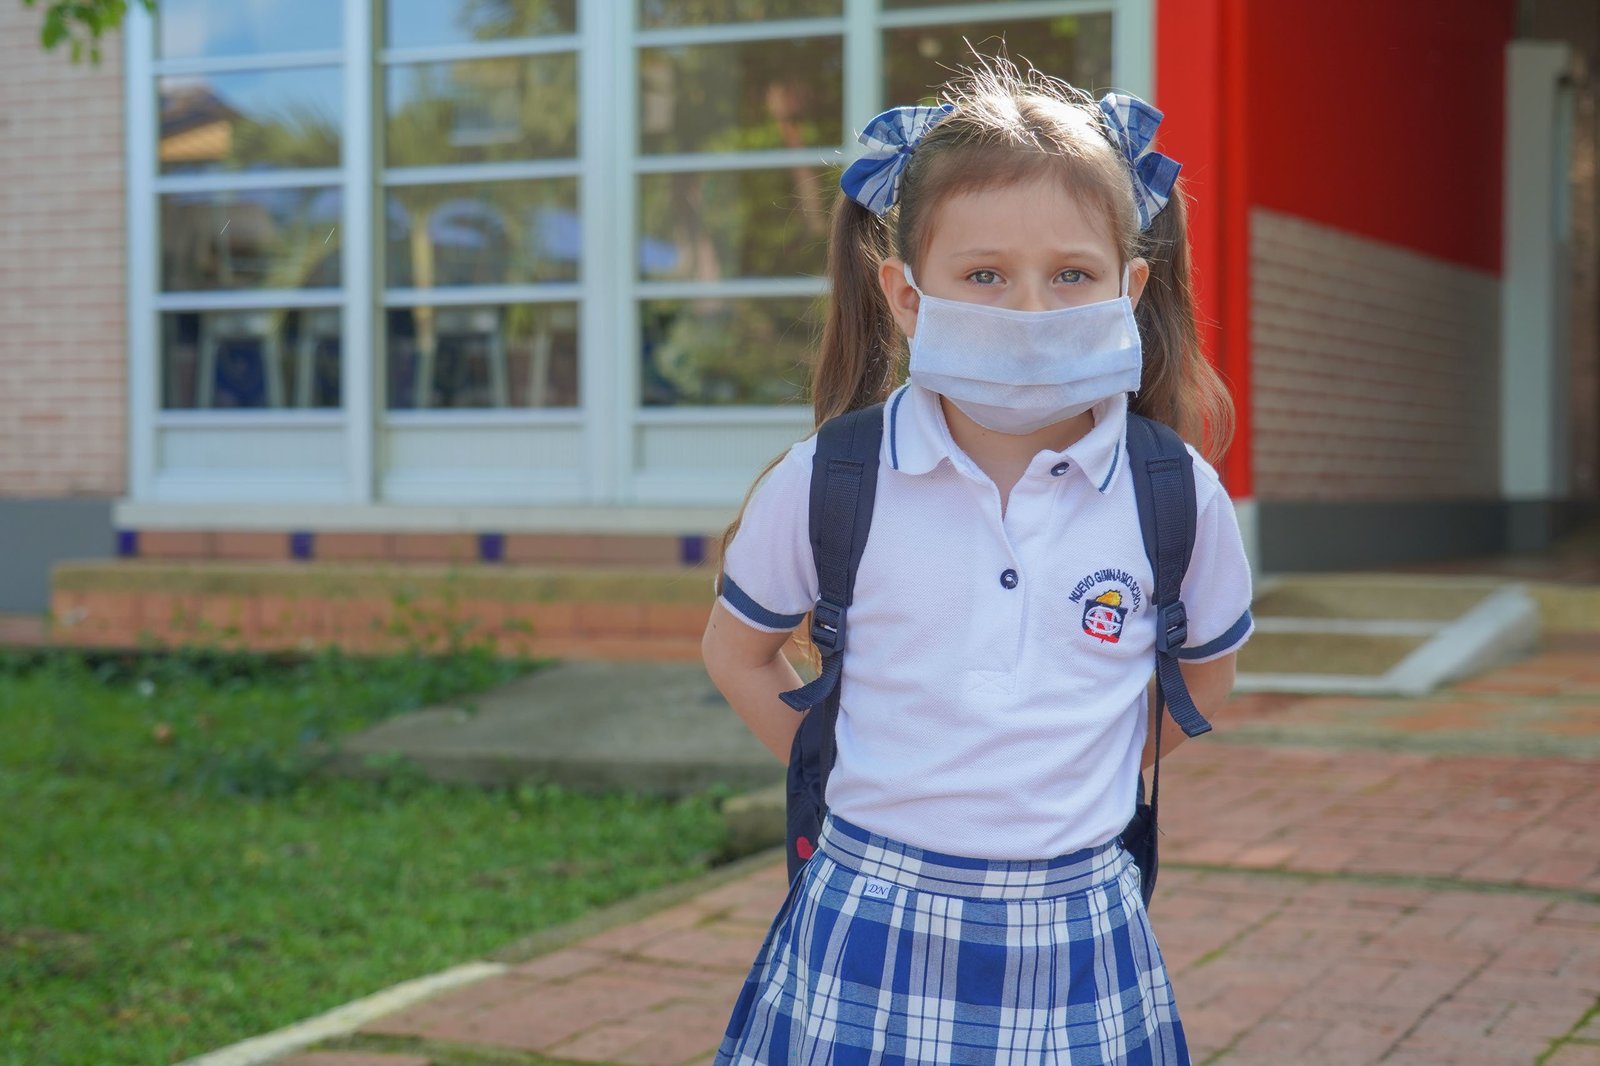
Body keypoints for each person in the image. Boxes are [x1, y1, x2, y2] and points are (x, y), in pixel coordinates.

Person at [701, 59, 1254, 1065]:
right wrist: (852, 776)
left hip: (1080, 926)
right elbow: (737, 652)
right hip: (866, 911)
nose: (1030, 311)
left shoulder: (1176, 493)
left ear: (1128, 289)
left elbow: (1204, 677)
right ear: (906, 294)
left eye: (1072, 275)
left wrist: (1072, 774)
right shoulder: (831, 478)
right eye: (985, 275)